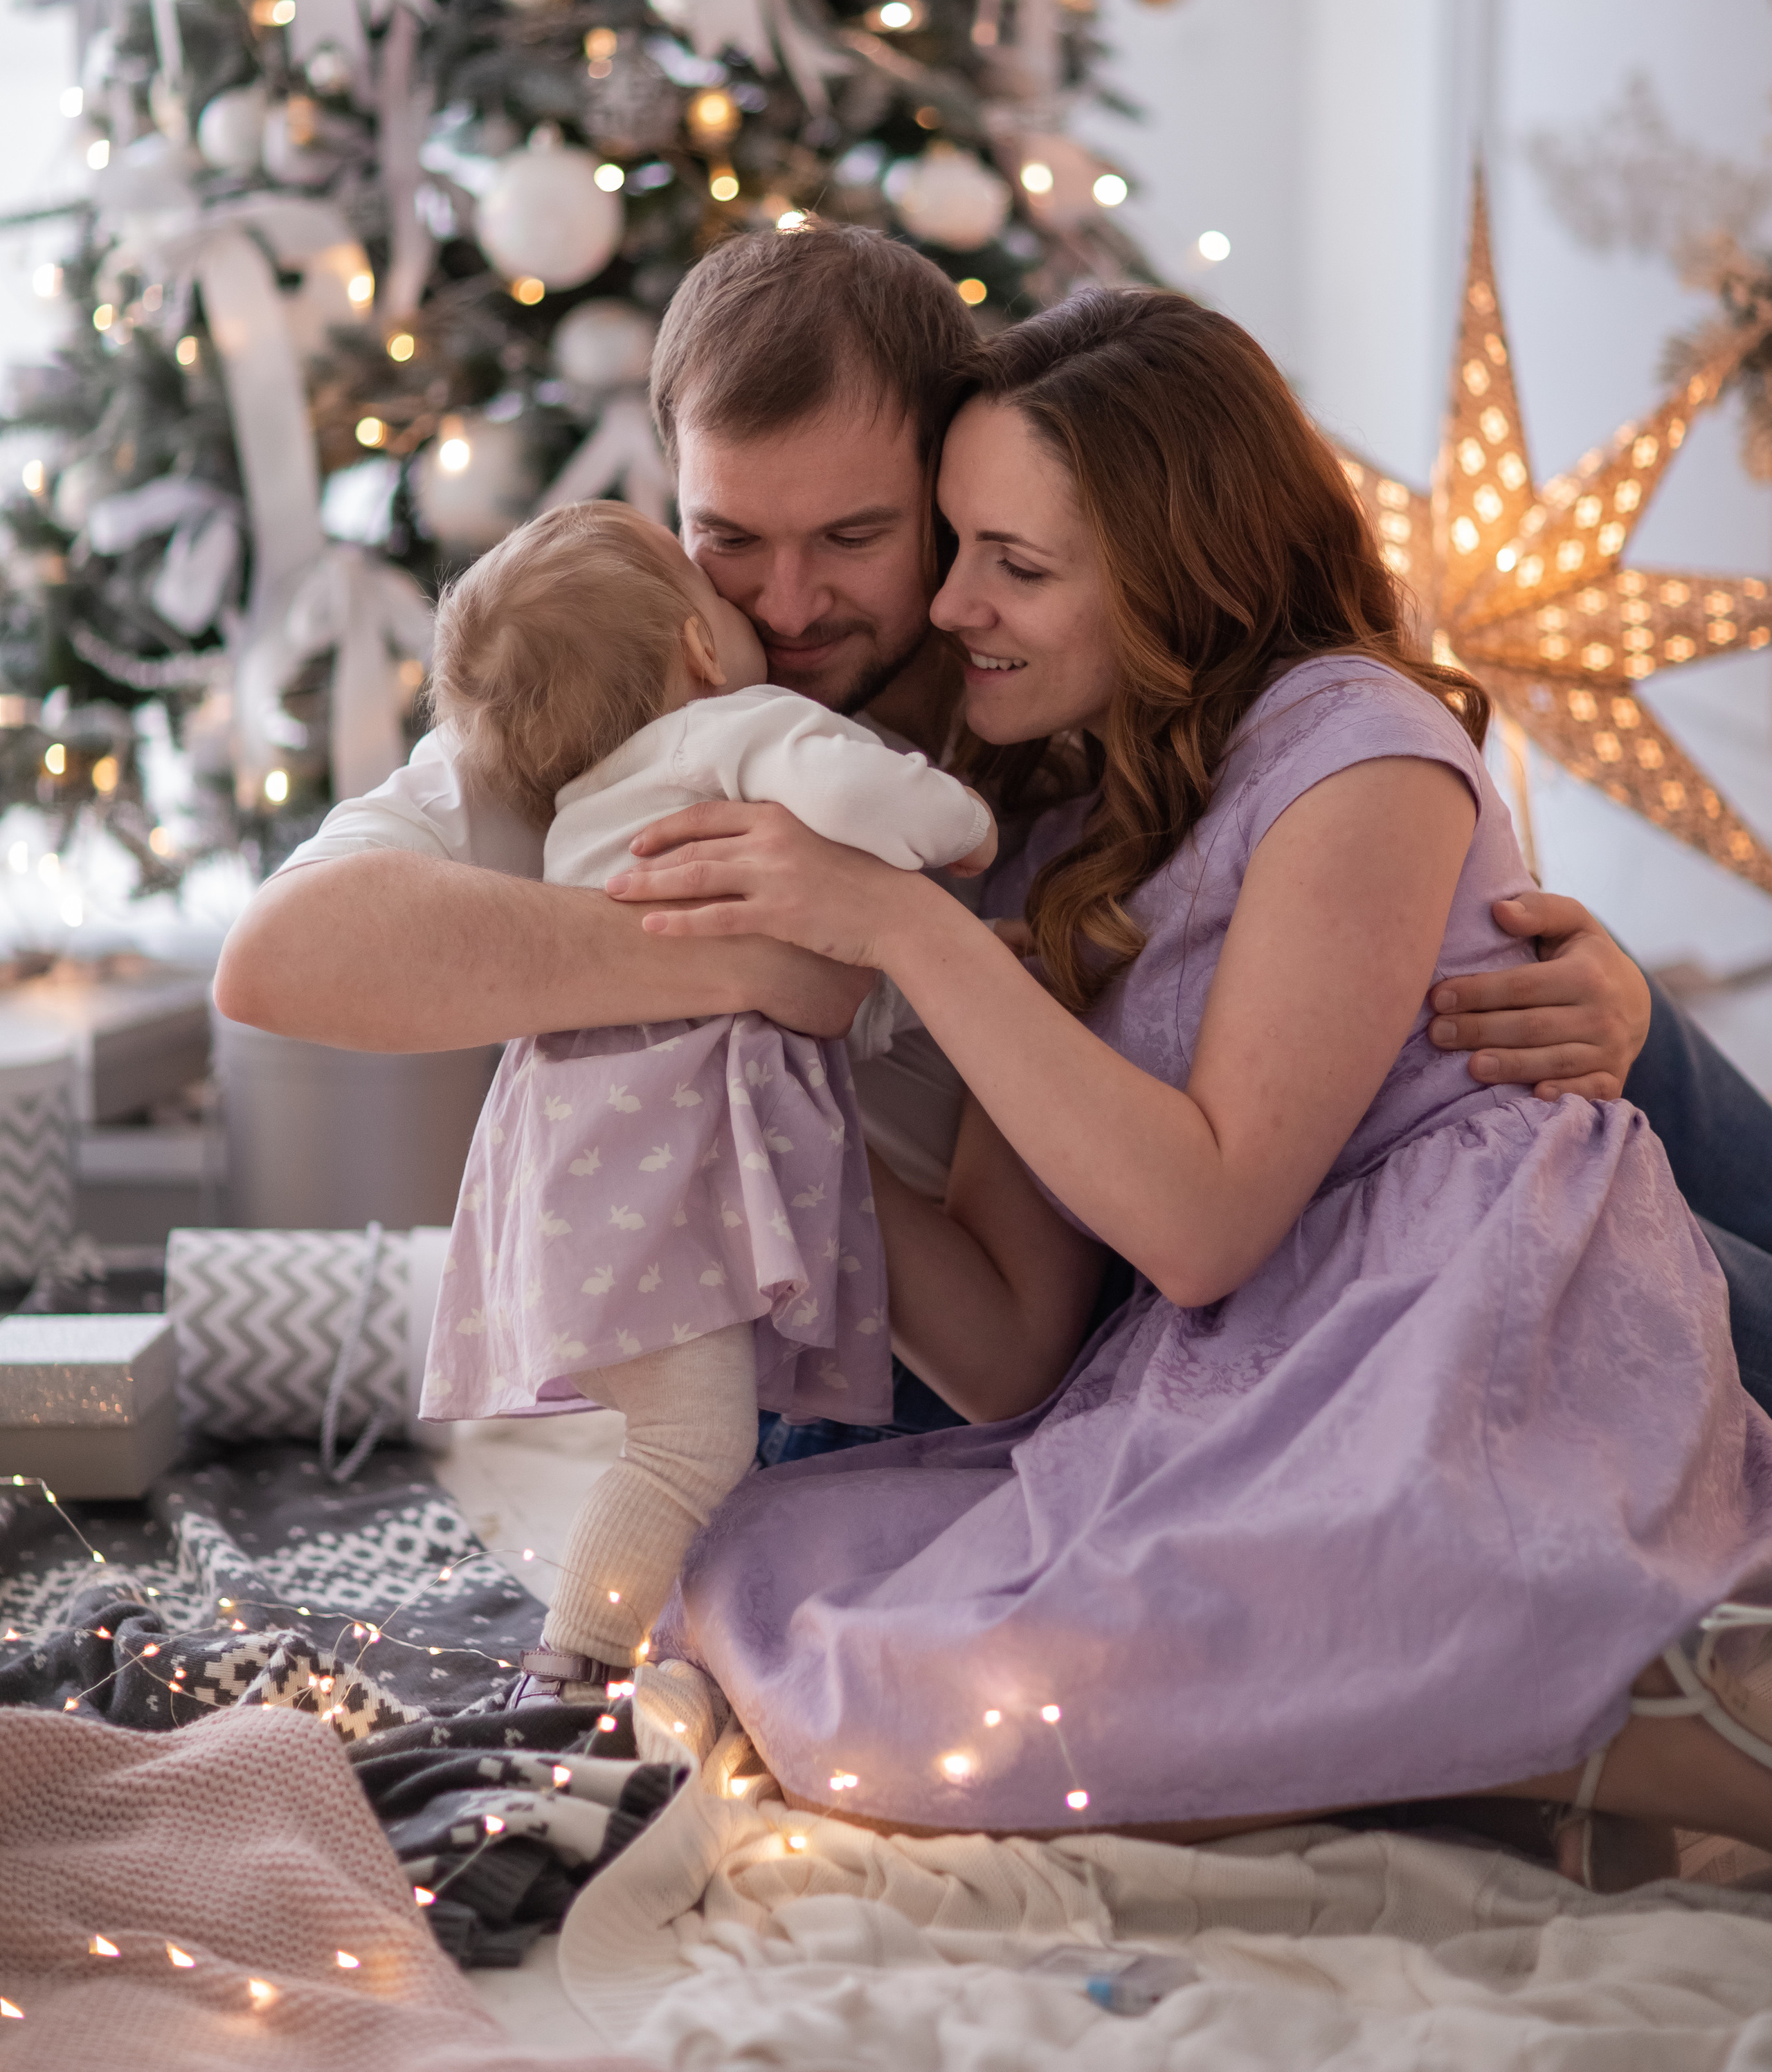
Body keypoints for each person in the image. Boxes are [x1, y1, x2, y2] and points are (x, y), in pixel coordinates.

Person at [213, 228, 1772, 1422]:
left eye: (856, 536)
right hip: (946, 1308)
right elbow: (280, 958)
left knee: (1597, 1039)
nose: (785, 604)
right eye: (729, 536)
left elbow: (1323, 864)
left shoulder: (1054, 695)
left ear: (950, 486)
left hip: (1230, 1215)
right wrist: (754, 965)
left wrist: (1584, 1000)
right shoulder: (617, 682)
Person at [604, 284, 1772, 1864]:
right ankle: (1525, 1733)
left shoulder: (1349, 744)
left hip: (1465, 1297)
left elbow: (1205, 1224)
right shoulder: (1060, 828)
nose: (951, 605)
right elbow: (1011, 1350)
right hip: (1261, 1338)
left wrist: (897, 925)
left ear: (1177, 577)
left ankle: (1619, 1718)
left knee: (1072, 1670)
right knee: (787, 1595)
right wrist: (758, 1094)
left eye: (1012, 565)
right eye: (955, 549)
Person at [415, 498, 991, 1692]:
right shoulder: (731, 730)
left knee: (676, 1431)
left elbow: (805, 997)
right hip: (650, 1179)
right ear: (697, 647)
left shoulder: (579, 811)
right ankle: (569, 1667)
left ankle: (606, 1641)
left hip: (573, 1174)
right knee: (690, 1448)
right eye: (723, 596)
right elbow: (864, 797)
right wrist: (964, 827)